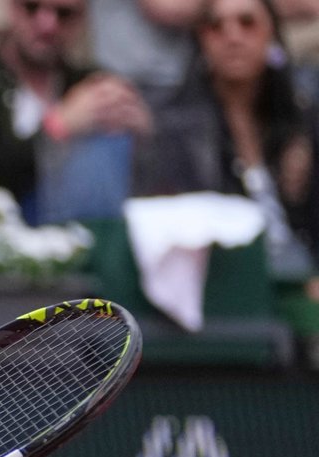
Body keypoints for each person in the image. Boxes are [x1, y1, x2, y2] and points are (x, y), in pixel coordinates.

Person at [135, 0, 319, 275]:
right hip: (227, 289)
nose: (233, 37)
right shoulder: (175, 128)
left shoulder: (302, 120)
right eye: (215, 26)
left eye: (247, 23)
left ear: (272, 34)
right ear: (201, 40)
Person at [0, 0, 153, 221]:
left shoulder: (91, 84)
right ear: (12, 9)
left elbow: (142, 179)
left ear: (82, 20)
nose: (47, 24)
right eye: (32, 7)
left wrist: (143, 139)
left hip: (83, 234)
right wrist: (56, 127)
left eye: (63, 14)